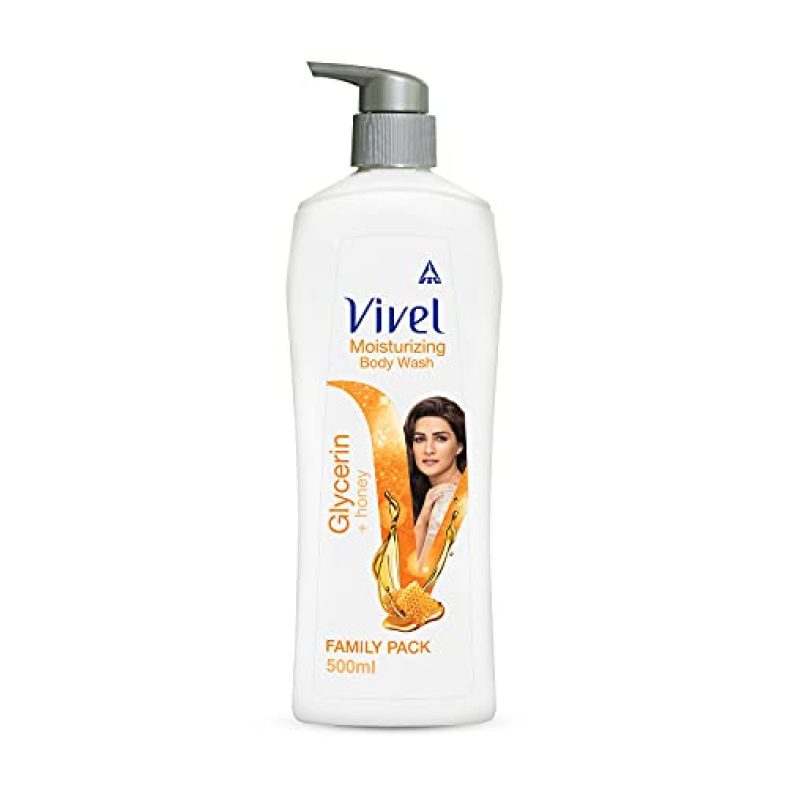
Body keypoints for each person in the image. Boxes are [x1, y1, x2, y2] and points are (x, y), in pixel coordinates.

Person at [404, 396, 467, 565]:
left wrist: (422, 522)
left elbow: (421, 572)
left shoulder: (448, 500)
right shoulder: (431, 495)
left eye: (440, 438)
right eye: (420, 439)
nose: (429, 449)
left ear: (459, 446)